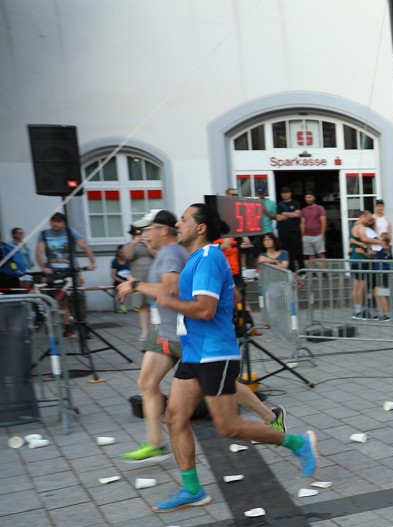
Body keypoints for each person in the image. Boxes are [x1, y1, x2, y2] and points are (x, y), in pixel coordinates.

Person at [151, 203, 317, 511]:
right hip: (193, 353)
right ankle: (192, 490)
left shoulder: (209, 257)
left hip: (215, 354)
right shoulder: (196, 260)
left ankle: (298, 443)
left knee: (228, 427)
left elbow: (205, 309)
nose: (178, 223)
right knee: (175, 417)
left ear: (200, 228)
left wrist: (169, 301)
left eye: (184, 219)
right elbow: (231, 297)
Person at [115, 210, 287, 464]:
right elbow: (224, 295)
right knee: (165, 404)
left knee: (228, 424)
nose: (144, 234)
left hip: (197, 341)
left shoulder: (191, 255)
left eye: (148, 229)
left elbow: (185, 298)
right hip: (182, 338)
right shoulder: (188, 255)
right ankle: (164, 453)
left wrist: (139, 287)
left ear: (199, 228)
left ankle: (292, 436)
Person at [35, 212, 97, 329]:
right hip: (54, 272)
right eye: (53, 221)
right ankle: (66, 326)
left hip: (70, 271)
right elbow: (39, 251)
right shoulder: (44, 234)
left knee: (76, 297)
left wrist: (92, 262)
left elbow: (85, 247)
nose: (55, 224)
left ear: (64, 223)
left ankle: (81, 323)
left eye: (58, 221)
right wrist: (43, 267)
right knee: (59, 300)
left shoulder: (71, 233)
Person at [123, 222, 156, 339]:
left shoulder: (151, 243)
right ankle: (145, 331)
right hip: (138, 277)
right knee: (141, 305)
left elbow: (156, 255)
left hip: (152, 276)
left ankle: (157, 329)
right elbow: (128, 256)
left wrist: (147, 244)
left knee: (155, 303)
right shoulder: (129, 245)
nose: (140, 236)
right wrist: (133, 243)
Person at [349, 211, 378, 319]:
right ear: (362, 217)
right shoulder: (360, 226)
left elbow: (356, 242)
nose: (369, 222)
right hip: (360, 261)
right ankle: (359, 311)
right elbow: (364, 239)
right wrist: (380, 242)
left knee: (357, 286)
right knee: (361, 287)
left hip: (356, 260)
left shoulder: (354, 227)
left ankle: (358, 310)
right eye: (368, 219)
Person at [275, 187, 303, 272]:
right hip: (283, 232)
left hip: (295, 231)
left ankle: (302, 271)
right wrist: (291, 214)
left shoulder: (296, 203)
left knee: (298, 251)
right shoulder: (279, 204)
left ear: (290, 193)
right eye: (283, 193)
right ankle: (291, 271)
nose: (285, 194)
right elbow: (279, 218)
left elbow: (297, 214)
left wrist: (284, 213)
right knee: (286, 252)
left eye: (286, 193)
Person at [300, 191, 327, 264]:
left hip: (318, 235)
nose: (308, 199)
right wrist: (303, 236)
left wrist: (322, 234)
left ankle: (325, 273)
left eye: (310, 197)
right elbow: (302, 223)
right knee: (310, 255)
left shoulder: (319, 208)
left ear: (314, 198)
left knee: (321, 254)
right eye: (306, 197)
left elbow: (323, 221)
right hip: (307, 236)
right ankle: (312, 273)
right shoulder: (304, 210)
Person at [109, 244, 131, 312]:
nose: (122, 254)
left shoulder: (129, 261)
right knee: (121, 287)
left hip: (129, 280)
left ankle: (138, 305)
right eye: (121, 252)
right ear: (118, 253)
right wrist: (122, 281)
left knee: (138, 287)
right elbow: (113, 276)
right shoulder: (114, 261)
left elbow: (133, 272)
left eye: (124, 252)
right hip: (118, 281)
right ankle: (122, 305)